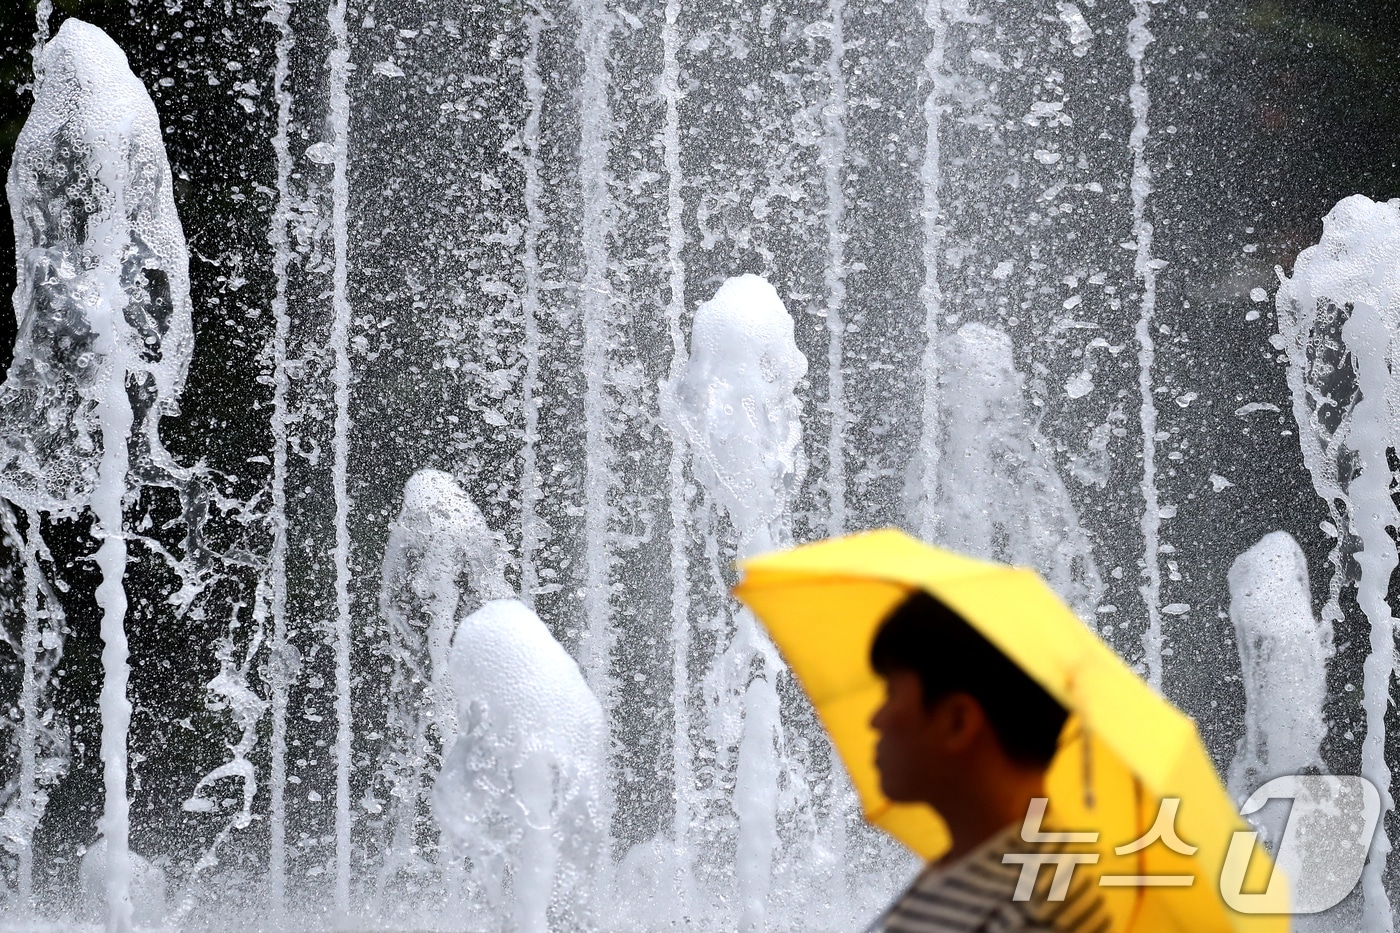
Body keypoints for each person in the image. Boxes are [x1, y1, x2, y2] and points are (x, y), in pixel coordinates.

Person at [866, 591, 1110, 933]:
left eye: (891, 694)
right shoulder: (970, 867)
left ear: (958, 722)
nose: (875, 720)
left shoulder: (1036, 907)